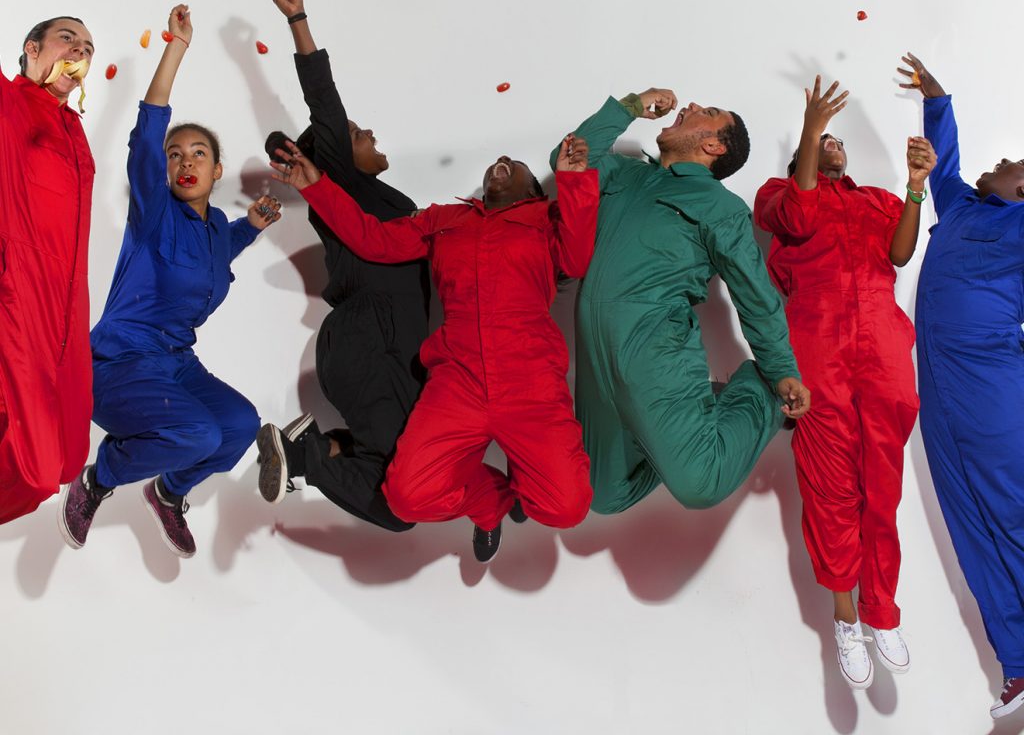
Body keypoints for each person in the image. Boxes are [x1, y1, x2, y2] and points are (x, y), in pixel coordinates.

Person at [270, 135, 597, 562]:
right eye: (499, 157)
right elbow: (374, 240)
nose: (501, 159)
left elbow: (575, 258)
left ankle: (523, 477)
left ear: (534, 191)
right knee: (408, 497)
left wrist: (574, 182)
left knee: (568, 507)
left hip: (530, 383)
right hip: (456, 383)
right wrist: (316, 186)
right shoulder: (445, 219)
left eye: (515, 162)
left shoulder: (546, 219)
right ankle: (491, 504)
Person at [57, 6, 280, 558]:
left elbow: (230, 243)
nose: (185, 161)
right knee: (197, 435)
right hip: (118, 365)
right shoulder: (154, 210)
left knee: (238, 425)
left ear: (215, 170)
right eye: (175, 154)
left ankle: (167, 493)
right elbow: (148, 128)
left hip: (177, 366)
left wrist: (254, 223)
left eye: (198, 154)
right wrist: (176, 47)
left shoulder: (213, 234)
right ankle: (98, 479)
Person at [754, 75, 936, 689]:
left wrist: (914, 189)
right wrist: (808, 130)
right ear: (803, 155)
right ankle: (845, 616)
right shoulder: (777, 196)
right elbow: (800, 216)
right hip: (818, 354)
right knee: (830, 492)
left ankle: (883, 612)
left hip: (883, 352)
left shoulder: (875, 200)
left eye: (834, 140)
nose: (832, 144)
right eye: (820, 142)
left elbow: (901, 253)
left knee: (881, 492)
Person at [554, 89, 810, 519]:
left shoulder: (720, 206)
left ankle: (759, 392)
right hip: (596, 359)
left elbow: (755, 295)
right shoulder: (626, 175)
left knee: (700, 484)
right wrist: (632, 106)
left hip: (655, 349)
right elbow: (569, 157)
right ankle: (681, 424)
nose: (690, 106)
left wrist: (781, 369)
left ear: (714, 146)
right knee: (602, 495)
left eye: (706, 113)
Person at [254, 0, 430, 533]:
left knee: (405, 488)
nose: (369, 132)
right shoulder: (343, 185)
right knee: (404, 505)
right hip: (367, 341)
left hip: (384, 353)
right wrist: (297, 19)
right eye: (357, 134)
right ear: (335, 159)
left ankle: (319, 450)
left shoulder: (374, 196)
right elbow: (325, 104)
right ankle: (307, 455)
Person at [899, 52, 1024, 719]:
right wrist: (938, 99)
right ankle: (1021, 668)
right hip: (940, 394)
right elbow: (942, 167)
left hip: (995, 382)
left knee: (1015, 510)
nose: (1001, 164)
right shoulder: (964, 206)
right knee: (971, 523)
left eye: (1014, 164)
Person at [0, 0, 97, 524]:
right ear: (33, 49)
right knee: (35, 457)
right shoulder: (9, 106)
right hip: (16, 290)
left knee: (51, 469)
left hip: (64, 312)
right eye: (68, 38)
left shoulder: (75, 135)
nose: (80, 52)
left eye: (88, 47)